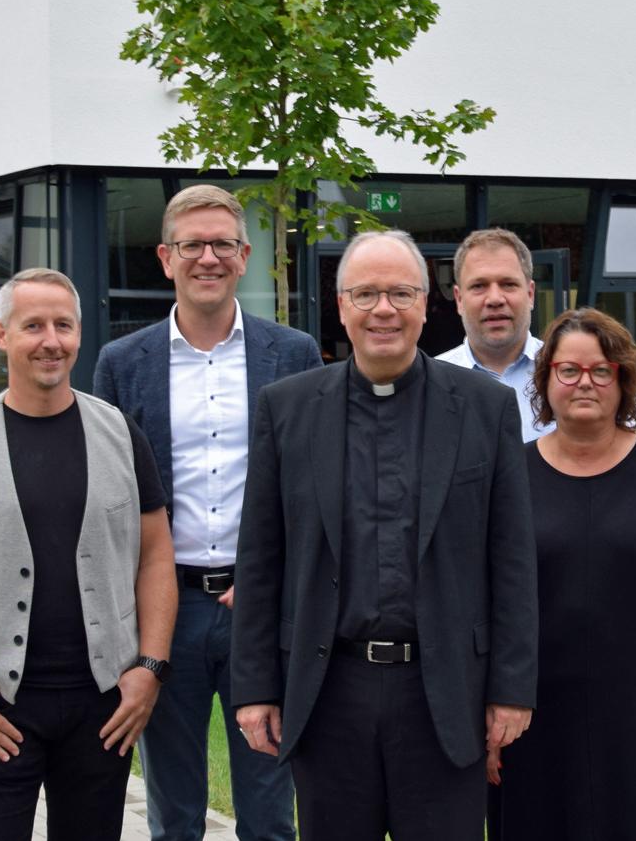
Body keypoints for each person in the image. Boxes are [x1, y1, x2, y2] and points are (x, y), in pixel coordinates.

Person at [230, 229, 539, 841]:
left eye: (400, 293)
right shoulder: (285, 409)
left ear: (427, 304)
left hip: (445, 690)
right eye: (365, 293)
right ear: (341, 305)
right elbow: (262, 557)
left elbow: (512, 558)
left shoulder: (484, 407)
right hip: (328, 691)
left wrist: (512, 688)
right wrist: (254, 689)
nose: (383, 310)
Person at [0, 268, 178, 841]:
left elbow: (155, 557)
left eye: (63, 325)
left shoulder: (122, 435)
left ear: (78, 334)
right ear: (1, 335)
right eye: (33, 326)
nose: (50, 340)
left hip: (102, 708)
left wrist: (149, 669)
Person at [93, 185, 320, 841]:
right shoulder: (120, 363)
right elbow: (112, 498)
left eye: (223, 243)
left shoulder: (295, 354)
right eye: (193, 245)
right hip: (168, 609)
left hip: (261, 607)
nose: (208, 258)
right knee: (174, 814)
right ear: (167, 257)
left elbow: (309, 490)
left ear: (245, 254)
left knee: (271, 814)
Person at [489, 307, 636, 841]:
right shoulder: (509, 476)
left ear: (624, 380)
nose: (586, 383)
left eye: (603, 371)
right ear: (546, 378)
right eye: (569, 370)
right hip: (532, 717)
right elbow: (483, 603)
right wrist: (487, 709)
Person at [435, 228, 553, 443]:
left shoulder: (568, 376)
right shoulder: (430, 384)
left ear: (530, 294)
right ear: (459, 299)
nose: (495, 299)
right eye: (479, 286)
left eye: (508, 284)